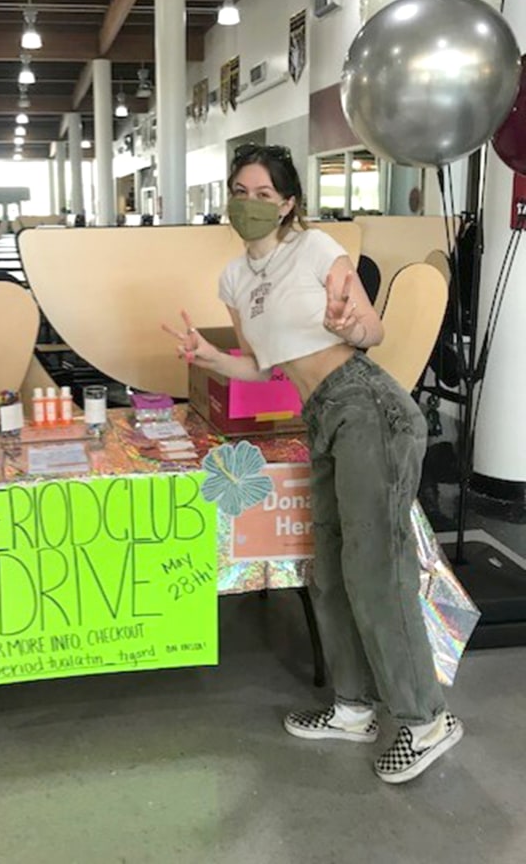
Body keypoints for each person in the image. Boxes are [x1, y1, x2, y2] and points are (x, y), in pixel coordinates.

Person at [163, 144, 463, 785]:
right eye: (239, 190)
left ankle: (425, 718)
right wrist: (205, 357)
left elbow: (373, 333)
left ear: (290, 201)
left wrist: (351, 322)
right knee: (327, 570)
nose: (249, 202)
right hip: (320, 416)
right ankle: (353, 708)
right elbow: (261, 366)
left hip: (367, 405)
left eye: (264, 193)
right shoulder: (233, 280)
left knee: (374, 566)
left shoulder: (318, 250)